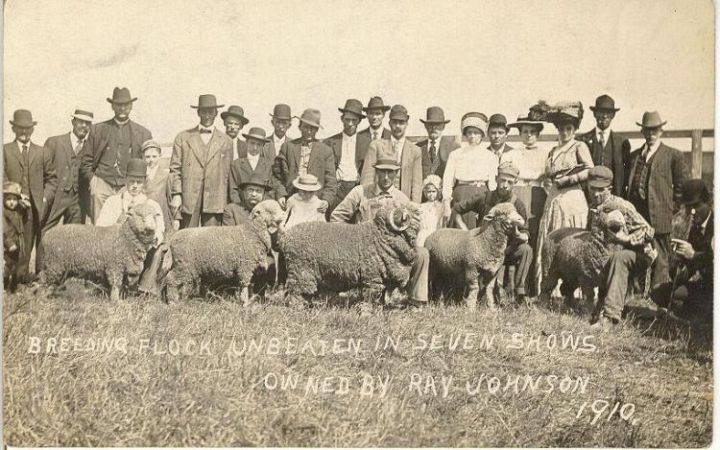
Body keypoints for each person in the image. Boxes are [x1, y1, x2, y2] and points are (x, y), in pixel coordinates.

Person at [331, 156, 429, 309]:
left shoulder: (401, 198)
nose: (385, 177)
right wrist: (350, 239)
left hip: (391, 252)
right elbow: (337, 217)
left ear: (396, 174)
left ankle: (416, 301)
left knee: (422, 254)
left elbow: (413, 227)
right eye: (382, 172)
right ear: (376, 172)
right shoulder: (360, 192)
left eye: (390, 173)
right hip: (364, 250)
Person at [626, 111, 689, 308]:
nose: (651, 133)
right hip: (637, 216)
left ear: (661, 130)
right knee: (636, 253)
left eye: (654, 129)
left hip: (659, 216)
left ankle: (659, 303)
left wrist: (670, 210)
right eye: (647, 130)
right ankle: (634, 297)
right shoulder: (635, 155)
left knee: (660, 258)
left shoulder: (673, 155)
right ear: (642, 131)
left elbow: (682, 187)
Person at [534, 101, 594, 293]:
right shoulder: (552, 151)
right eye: (561, 129)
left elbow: (590, 170)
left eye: (569, 128)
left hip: (572, 199)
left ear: (574, 129)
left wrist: (567, 180)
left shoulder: (579, 146)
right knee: (551, 241)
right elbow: (546, 175)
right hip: (553, 199)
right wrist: (547, 183)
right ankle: (547, 289)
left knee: (569, 242)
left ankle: (571, 291)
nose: (565, 132)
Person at [587, 166, 656, 329]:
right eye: (592, 189)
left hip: (640, 256)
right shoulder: (593, 206)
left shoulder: (621, 205)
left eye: (601, 190)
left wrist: (627, 238)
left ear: (609, 188)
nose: (596, 194)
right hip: (612, 255)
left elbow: (649, 231)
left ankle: (610, 318)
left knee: (619, 257)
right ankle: (596, 307)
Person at [452, 162, 533, 301]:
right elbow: (457, 210)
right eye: (502, 180)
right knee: (483, 299)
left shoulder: (518, 204)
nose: (505, 185)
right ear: (496, 178)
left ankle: (520, 293)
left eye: (510, 182)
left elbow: (526, 234)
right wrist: (465, 233)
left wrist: (516, 233)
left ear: (515, 183)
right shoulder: (484, 198)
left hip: (506, 251)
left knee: (526, 250)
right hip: (482, 253)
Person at [80, 87, 152, 223]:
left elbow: (147, 164)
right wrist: (92, 180)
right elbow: (86, 161)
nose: (122, 108)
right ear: (113, 106)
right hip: (102, 182)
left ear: (131, 106)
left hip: (128, 185)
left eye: (126, 105)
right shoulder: (98, 130)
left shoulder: (142, 133)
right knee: (101, 224)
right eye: (119, 105)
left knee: (127, 223)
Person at [3, 109, 57, 280]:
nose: (24, 132)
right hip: (12, 207)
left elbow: (52, 180)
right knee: (12, 241)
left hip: (35, 207)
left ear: (32, 130)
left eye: (28, 128)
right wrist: (16, 195)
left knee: (29, 239)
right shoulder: (5, 150)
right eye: (20, 128)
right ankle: (12, 275)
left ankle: (28, 274)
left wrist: (44, 198)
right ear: (13, 129)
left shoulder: (42, 152)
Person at [169, 94, 233, 228]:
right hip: (189, 198)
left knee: (211, 241)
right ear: (198, 113)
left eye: (211, 112)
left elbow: (227, 173)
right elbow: (175, 170)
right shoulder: (183, 138)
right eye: (204, 112)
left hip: (215, 199)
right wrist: (177, 194)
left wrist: (227, 201)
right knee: (187, 238)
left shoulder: (226, 141)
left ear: (216, 113)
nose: (207, 116)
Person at [505, 104, 550, 251]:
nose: (529, 135)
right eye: (525, 131)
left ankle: (533, 270)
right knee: (517, 228)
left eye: (532, 131)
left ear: (538, 134)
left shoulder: (546, 154)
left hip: (537, 193)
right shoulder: (511, 154)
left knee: (535, 229)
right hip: (518, 192)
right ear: (520, 134)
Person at [441, 112, 498, 229]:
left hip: (482, 196)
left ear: (482, 135)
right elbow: (447, 181)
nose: (472, 136)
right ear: (465, 135)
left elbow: (492, 183)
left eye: (476, 132)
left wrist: (494, 204)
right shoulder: (455, 154)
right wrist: (446, 205)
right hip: (461, 196)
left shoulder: (490, 156)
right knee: (460, 233)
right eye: (469, 132)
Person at [273, 108, 337, 210]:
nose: (309, 131)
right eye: (306, 127)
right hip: (291, 197)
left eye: (312, 128)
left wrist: (326, 200)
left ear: (317, 130)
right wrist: (281, 194)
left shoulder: (326, 151)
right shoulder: (288, 147)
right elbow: (276, 176)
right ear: (300, 127)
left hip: (316, 200)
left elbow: (331, 180)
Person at [43, 108, 94, 232]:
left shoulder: (91, 146)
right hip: (56, 197)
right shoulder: (54, 142)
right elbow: (43, 172)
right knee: (45, 230)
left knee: (74, 236)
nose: (84, 126)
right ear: (73, 122)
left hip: (78, 201)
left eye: (87, 123)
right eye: (80, 122)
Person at [669, 179, 713, 318]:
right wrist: (677, 262)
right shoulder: (694, 228)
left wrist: (694, 255)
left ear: (708, 203)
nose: (692, 212)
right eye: (688, 208)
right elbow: (689, 270)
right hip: (706, 284)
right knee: (662, 293)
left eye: (696, 206)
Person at [359, 104, 422, 202]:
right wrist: (367, 202)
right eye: (394, 122)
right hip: (378, 200)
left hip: (403, 202)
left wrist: (414, 207)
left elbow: (416, 185)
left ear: (406, 124)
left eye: (401, 122)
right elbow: (367, 178)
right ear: (389, 123)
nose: (397, 126)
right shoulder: (376, 146)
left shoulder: (415, 151)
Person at [577, 95, 631, 196]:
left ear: (613, 115)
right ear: (594, 114)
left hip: (614, 196)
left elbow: (627, 173)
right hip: (588, 196)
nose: (605, 116)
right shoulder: (582, 141)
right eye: (601, 112)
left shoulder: (622, 142)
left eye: (608, 113)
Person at [323, 99, 366, 214]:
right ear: (342, 119)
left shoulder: (367, 142)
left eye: (354, 120)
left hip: (356, 188)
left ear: (359, 121)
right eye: (347, 120)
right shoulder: (330, 142)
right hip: (338, 188)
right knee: (334, 221)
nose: (350, 123)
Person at [229, 127, 281, 208]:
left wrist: (264, 206)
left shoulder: (269, 165)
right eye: (252, 143)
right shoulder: (236, 164)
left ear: (263, 146)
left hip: (262, 208)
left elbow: (272, 189)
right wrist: (239, 207)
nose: (255, 148)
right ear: (246, 143)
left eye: (259, 145)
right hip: (241, 207)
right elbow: (233, 189)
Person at [415, 106, 460, 179]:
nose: (433, 128)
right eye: (430, 124)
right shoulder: (417, 148)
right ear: (425, 126)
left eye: (437, 124)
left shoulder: (454, 147)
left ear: (443, 126)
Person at [140, 140, 176, 231]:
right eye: (147, 157)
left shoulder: (165, 176)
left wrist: (176, 218)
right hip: (144, 216)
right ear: (143, 157)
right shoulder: (140, 176)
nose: (151, 160)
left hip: (162, 215)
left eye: (154, 156)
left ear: (160, 156)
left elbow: (170, 198)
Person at [4, 182, 30, 292]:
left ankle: (13, 287)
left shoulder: (17, 210)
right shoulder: (4, 213)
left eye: (14, 200)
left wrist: (25, 203)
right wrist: (9, 243)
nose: (11, 202)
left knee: (15, 265)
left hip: (18, 243)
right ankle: (4, 286)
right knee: (6, 266)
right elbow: (3, 231)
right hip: (7, 246)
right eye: (8, 199)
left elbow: (23, 209)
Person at [355, 96, 391, 173]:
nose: (374, 117)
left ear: (383, 115)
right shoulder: (358, 137)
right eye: (371, 113)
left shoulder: (391, 136)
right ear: (367, 115)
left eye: (378, 114)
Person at [416, 174, 445, 248]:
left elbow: (441, 223)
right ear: (425, 192)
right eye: (429, 192)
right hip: (424, 233)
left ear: (438, 192)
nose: (431, 194)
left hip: (436, 233)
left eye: (433, 191)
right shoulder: (422, 206)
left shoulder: (441, 206)